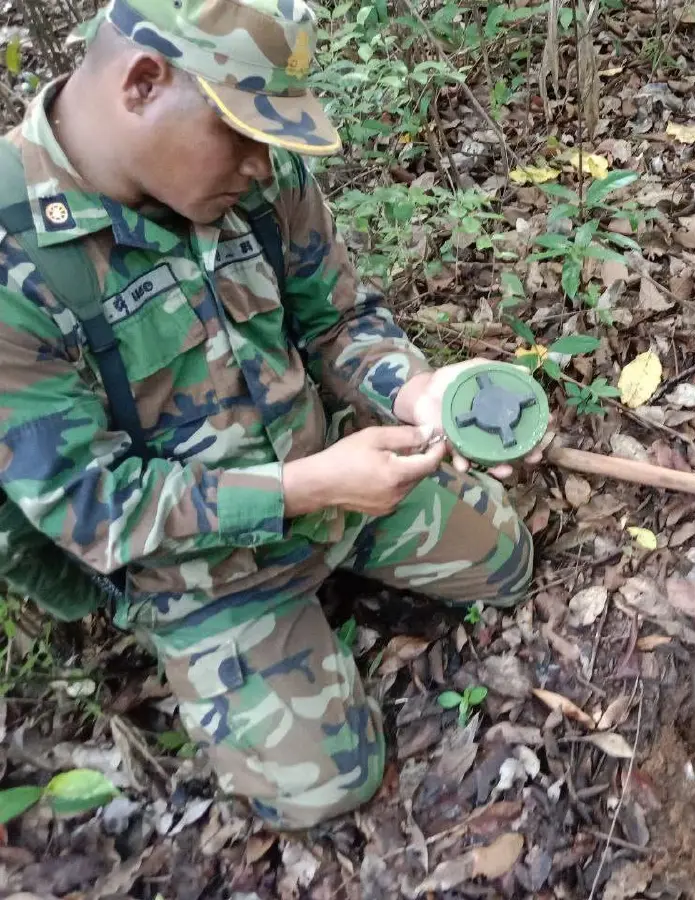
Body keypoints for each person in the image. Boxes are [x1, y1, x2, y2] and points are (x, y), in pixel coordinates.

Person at [0, 0, 541, 830]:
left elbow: (338, 319)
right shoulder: (17, 263)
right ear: (143, 83)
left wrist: (413, 391)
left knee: (510, 559)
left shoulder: (253, 176)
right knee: (327, 791)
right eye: (243, 132)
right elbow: (92, 505)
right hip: (201, 570)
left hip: (334, 482)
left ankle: (339, 578)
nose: (265, 162)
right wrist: (302, 486)